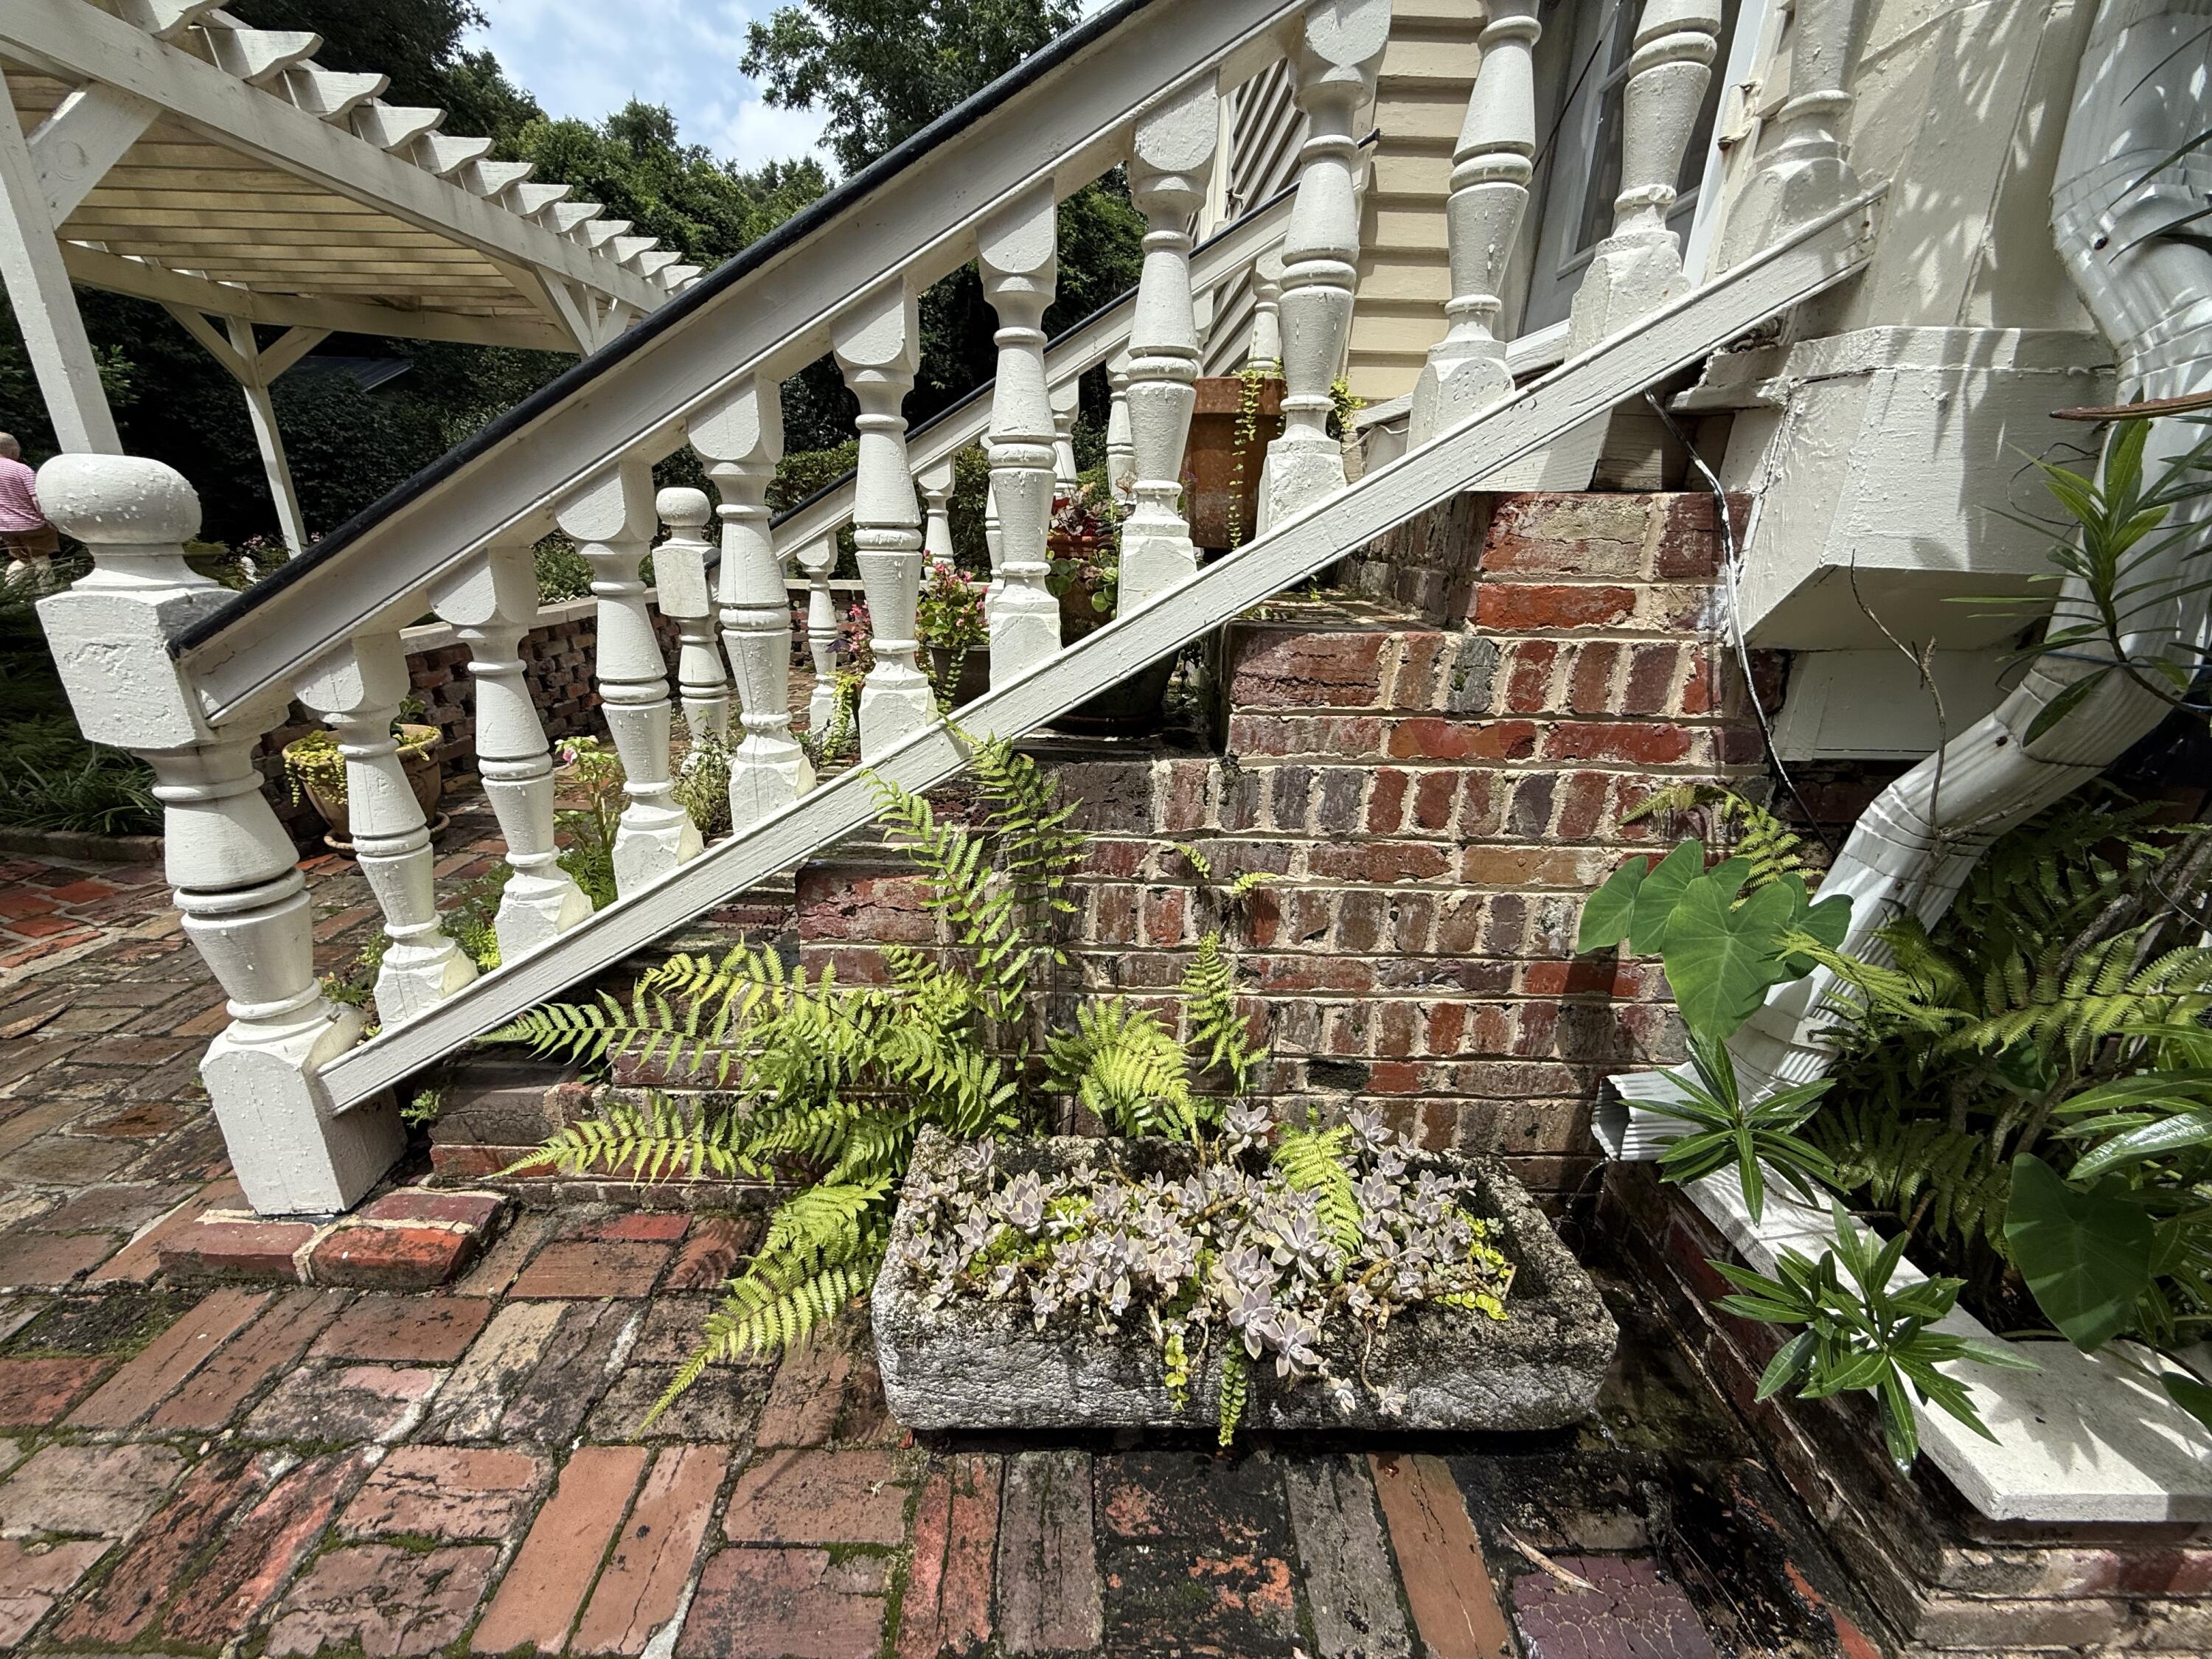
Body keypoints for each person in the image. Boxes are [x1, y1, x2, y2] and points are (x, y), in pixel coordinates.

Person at [0, 434, 59, 586]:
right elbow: (36, 499)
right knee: (41, 558)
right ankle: (47, 591)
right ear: (13, 451)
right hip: (31, 525)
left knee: (22, 559)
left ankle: (9, 589)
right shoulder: (22, 470)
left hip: (5, 527)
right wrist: (48, 518)